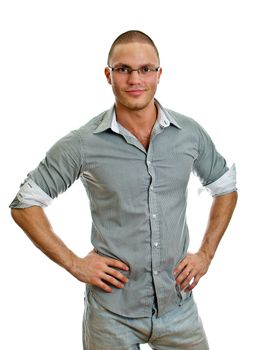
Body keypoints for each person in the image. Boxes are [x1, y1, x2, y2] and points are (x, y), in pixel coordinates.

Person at [10, 30, 238, 350]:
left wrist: (206, 254)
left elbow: (225, 188)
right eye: (123, 69)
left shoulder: (189, 134)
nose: (135, 79)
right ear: (109, 75)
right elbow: (25, 204)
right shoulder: (83, 143)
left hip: (178, 307)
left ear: (159, 74)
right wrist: (74, 264)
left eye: (145, 69)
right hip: (110, 316)